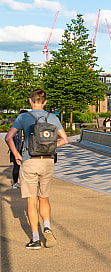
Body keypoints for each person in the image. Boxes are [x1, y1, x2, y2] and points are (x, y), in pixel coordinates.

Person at [4, 89, 68, 249]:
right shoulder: (52, 117)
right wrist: (51, 147)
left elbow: (8, 137)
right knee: (44, 198)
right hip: (47, 161)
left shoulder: (24, 117)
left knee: (31, 201)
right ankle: (47, 226)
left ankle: (35, 239)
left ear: (30, 101)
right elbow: (65, 140)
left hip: (29, 161)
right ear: (45, 102)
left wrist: (17, 154)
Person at [8, 109, 28, 189]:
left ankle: (16, 183)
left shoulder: (15, 125)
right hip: (20, 149)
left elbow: (9, 138)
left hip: (17, 149)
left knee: (18, 167)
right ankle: (16, 182)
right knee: (18, 167)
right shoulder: (28, 126)